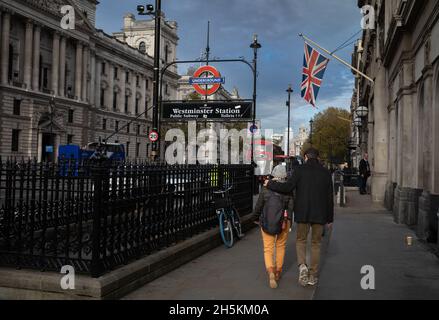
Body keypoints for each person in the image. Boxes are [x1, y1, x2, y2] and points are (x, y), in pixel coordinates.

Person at [264, 148, 334, 287]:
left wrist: (270, 183)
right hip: (320, 214)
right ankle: (313, 275)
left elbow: (288, 187)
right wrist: (329, 218)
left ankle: (302, 266)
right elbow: (329, 197)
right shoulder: (326, 173)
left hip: (302, 213)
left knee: (301, 240)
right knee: (316, 244)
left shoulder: (299, 170)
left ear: (306, 157)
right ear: (318, 157)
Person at [254, 165, 294, 289]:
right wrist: (289, 222)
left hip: (267, 222)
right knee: (281, 246)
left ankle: (270, 271)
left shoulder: (266, 189)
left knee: (268, 248)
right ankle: (278, 272)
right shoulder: (288, 191)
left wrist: (255, 218)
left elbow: (259, 206)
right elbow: (291, 208)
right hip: (283, 222)